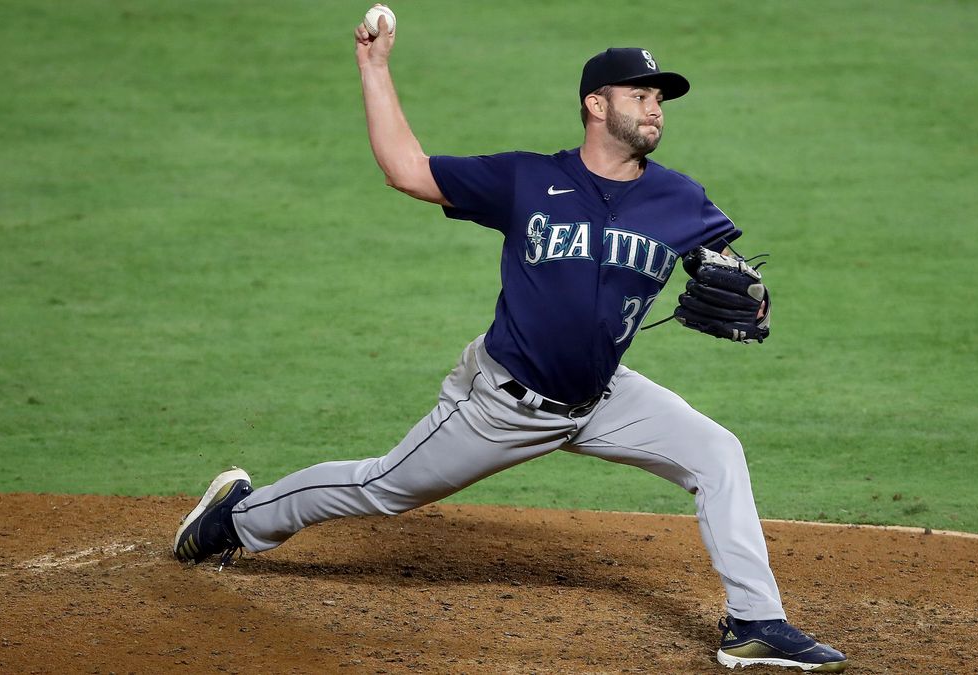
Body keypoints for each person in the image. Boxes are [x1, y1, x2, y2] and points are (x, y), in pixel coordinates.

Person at [173, 9, 848, 672]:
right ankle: (235, 519)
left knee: (717, 453)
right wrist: (374, 67)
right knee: (384, 485)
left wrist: (753, 303)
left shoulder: (679, 197)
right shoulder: (528, 179)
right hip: (504, 402)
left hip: (602, 396)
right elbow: (407, 169)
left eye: (659, 98)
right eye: (640, 95)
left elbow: (728, 273)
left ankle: (755, 624)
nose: (655, 109)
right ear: (594, 104)